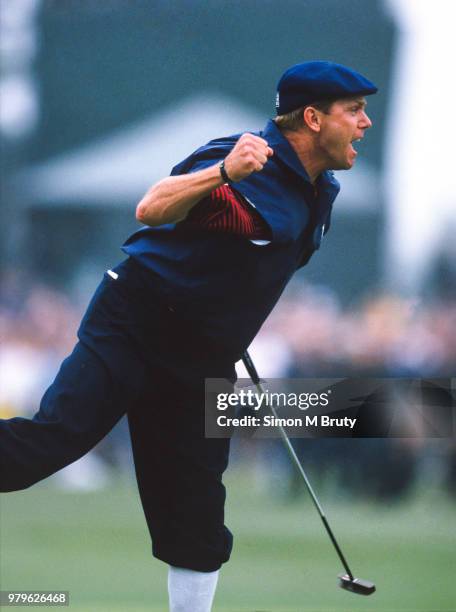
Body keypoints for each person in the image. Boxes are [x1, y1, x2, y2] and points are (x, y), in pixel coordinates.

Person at [0, 61, 377, 611]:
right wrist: (224, 171)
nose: (366, 122)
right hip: (136, 322)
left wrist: (226, 315)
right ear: (314, 118)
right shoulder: (242, 154)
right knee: (51, 443)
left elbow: (251, 267)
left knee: (197, 518)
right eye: (355, 110)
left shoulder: (324, 193)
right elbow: (152, 208)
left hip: (201, 355)